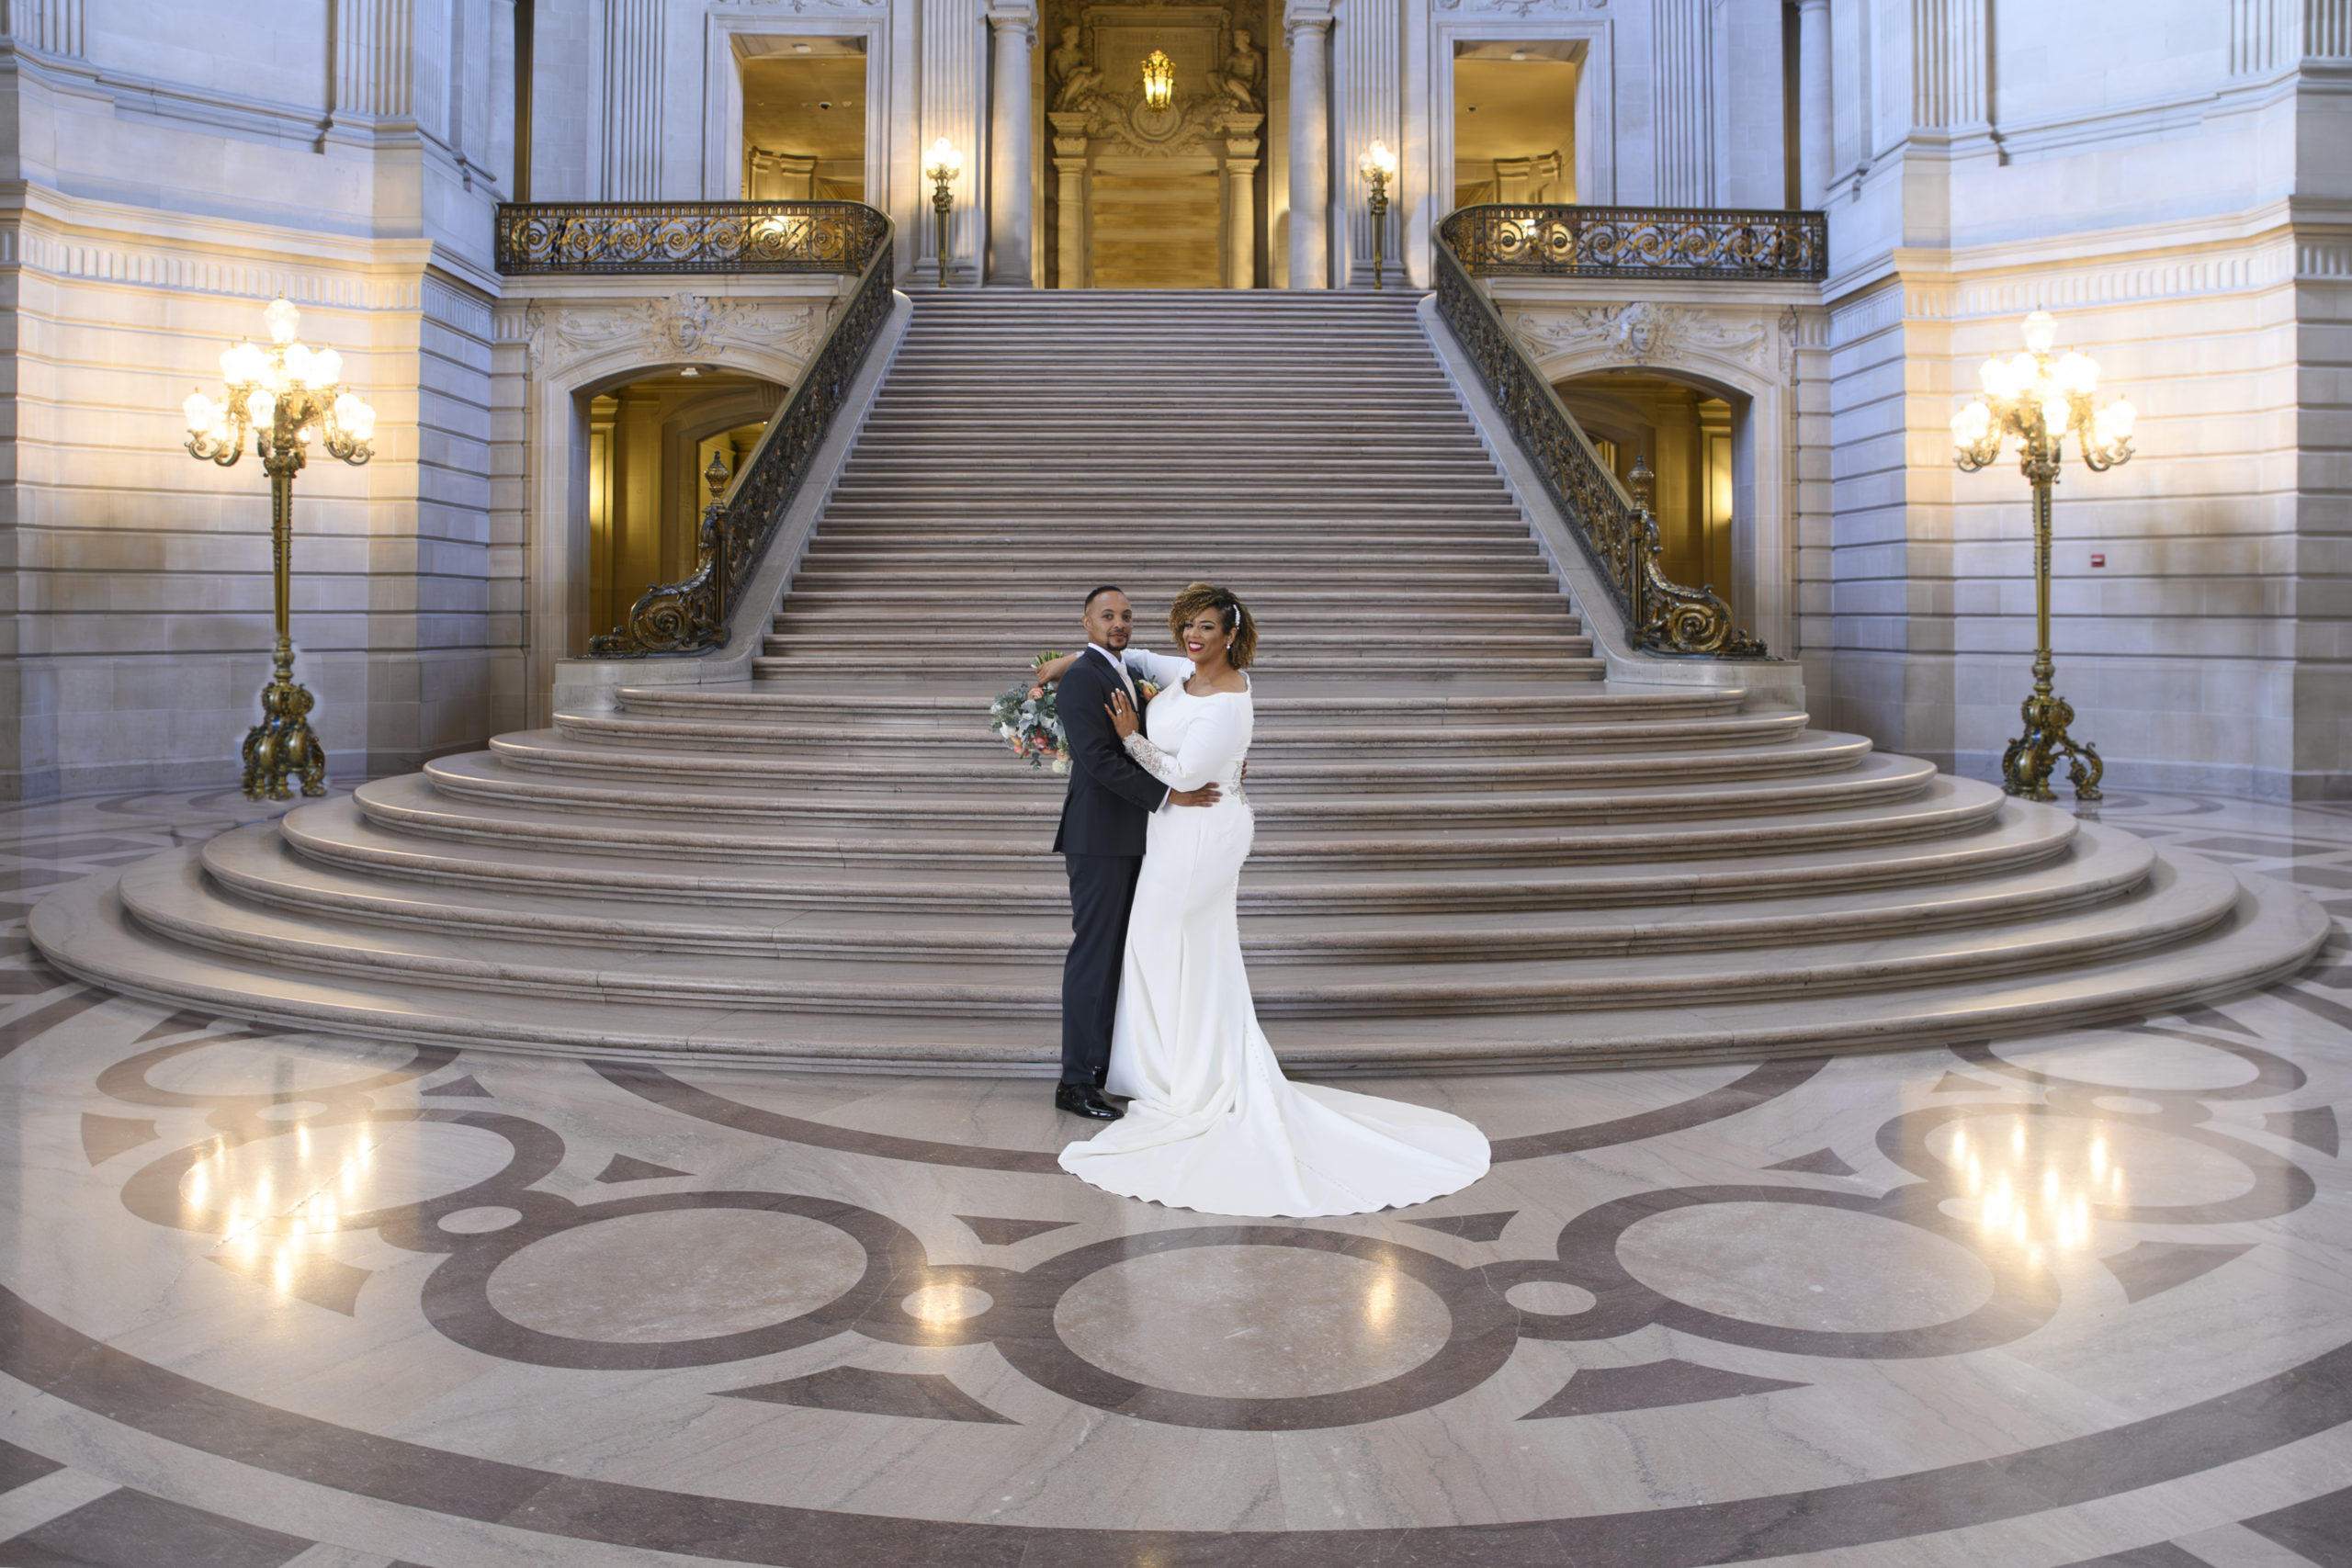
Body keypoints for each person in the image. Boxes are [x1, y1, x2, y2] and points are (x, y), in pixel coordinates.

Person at [1035, 583, 1490, 1217]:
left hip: (1197, 829)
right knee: (1153, 949)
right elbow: (1139, 664)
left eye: (1207, 627)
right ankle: (1135, 1070)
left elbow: (1187, 776)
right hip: (1157, 830)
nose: (1193, 635)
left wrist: (1137, 738)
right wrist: (1064, 662)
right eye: (1187, 624)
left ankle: (1185, 1075)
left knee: (1170, 945)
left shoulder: (1226, 699)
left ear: (1230, 635)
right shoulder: (1173, 670)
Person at [1048, 586, 1223, 1122]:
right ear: (1086, 623)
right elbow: (1098, 759)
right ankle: (1074, 1080)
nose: (1119, 623)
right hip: (1098, 838)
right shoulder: (1082, 679)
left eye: (1125, 616)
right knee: (1094, 957)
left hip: (1128, 835)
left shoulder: (1119, 669)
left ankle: (1100, 1067)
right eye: (1108, 615)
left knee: (1116, 958)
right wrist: (1170, 793)